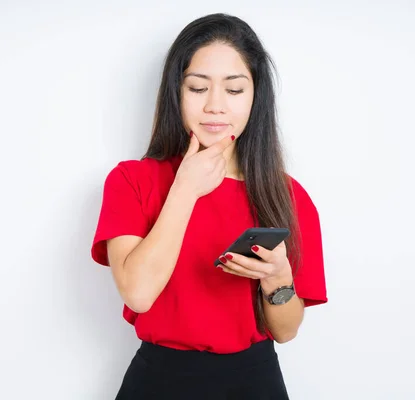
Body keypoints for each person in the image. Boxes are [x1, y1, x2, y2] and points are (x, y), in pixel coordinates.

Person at [91, 12, 328, 400]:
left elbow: (285, 331)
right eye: (198, 88)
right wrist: (185, 188)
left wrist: (278, 279)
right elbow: (138, 293)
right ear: (176, 93)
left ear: (256, 98)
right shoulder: (132, 180)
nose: (215, 106)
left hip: (255, 380)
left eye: (234, 90)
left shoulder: (287, 194)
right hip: (158, 381)